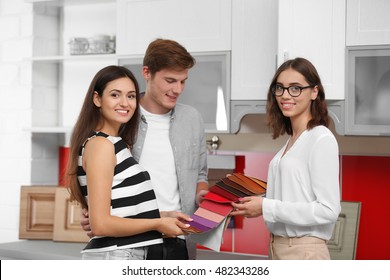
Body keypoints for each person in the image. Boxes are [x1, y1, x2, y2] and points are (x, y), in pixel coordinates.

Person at [80, 39, 209, 260]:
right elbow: (95, 176)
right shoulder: (121, 119)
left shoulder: (192, 119)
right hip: (131, 241)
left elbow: (199, 172)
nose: (177, 89)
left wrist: (203, 195)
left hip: (178, 239)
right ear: (147, 73)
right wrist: (94, 214)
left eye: (183, 81)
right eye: (170, 80)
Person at [67, 65, 191, 260]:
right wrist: (157, 223)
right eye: (115, 95)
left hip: (125, 254)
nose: (125, 103)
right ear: (97, 99)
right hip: (117, 255)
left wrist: (164, 216)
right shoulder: (101, 145)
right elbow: (101, 224)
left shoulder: (116, 144)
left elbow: (121, 211)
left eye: (131, 96)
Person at [230, 57, 341, 260]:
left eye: (295, 88)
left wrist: (266, 207)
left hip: (304, 251)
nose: (285, 95)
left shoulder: (321, 138)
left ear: (314, 92)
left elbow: (328, 210)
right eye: (280, 88)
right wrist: (256, 205)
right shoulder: (292, 141)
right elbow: (295, 197)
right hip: (278, 247)